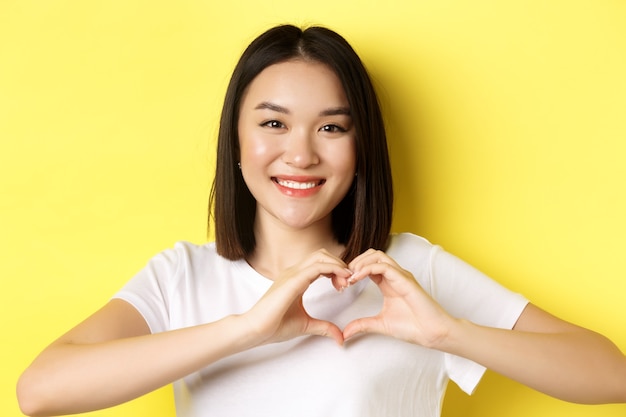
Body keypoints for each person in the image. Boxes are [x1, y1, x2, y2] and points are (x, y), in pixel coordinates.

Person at [17, 24, 626, 417]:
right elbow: (40, 391)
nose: (302, 154)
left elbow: (611, 375)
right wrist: (246, 329)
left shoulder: (408, 273)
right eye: (273, 123)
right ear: (237, 140)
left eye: (331, 127)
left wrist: (448, 334)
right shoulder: (182, 276)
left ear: (361, 152)